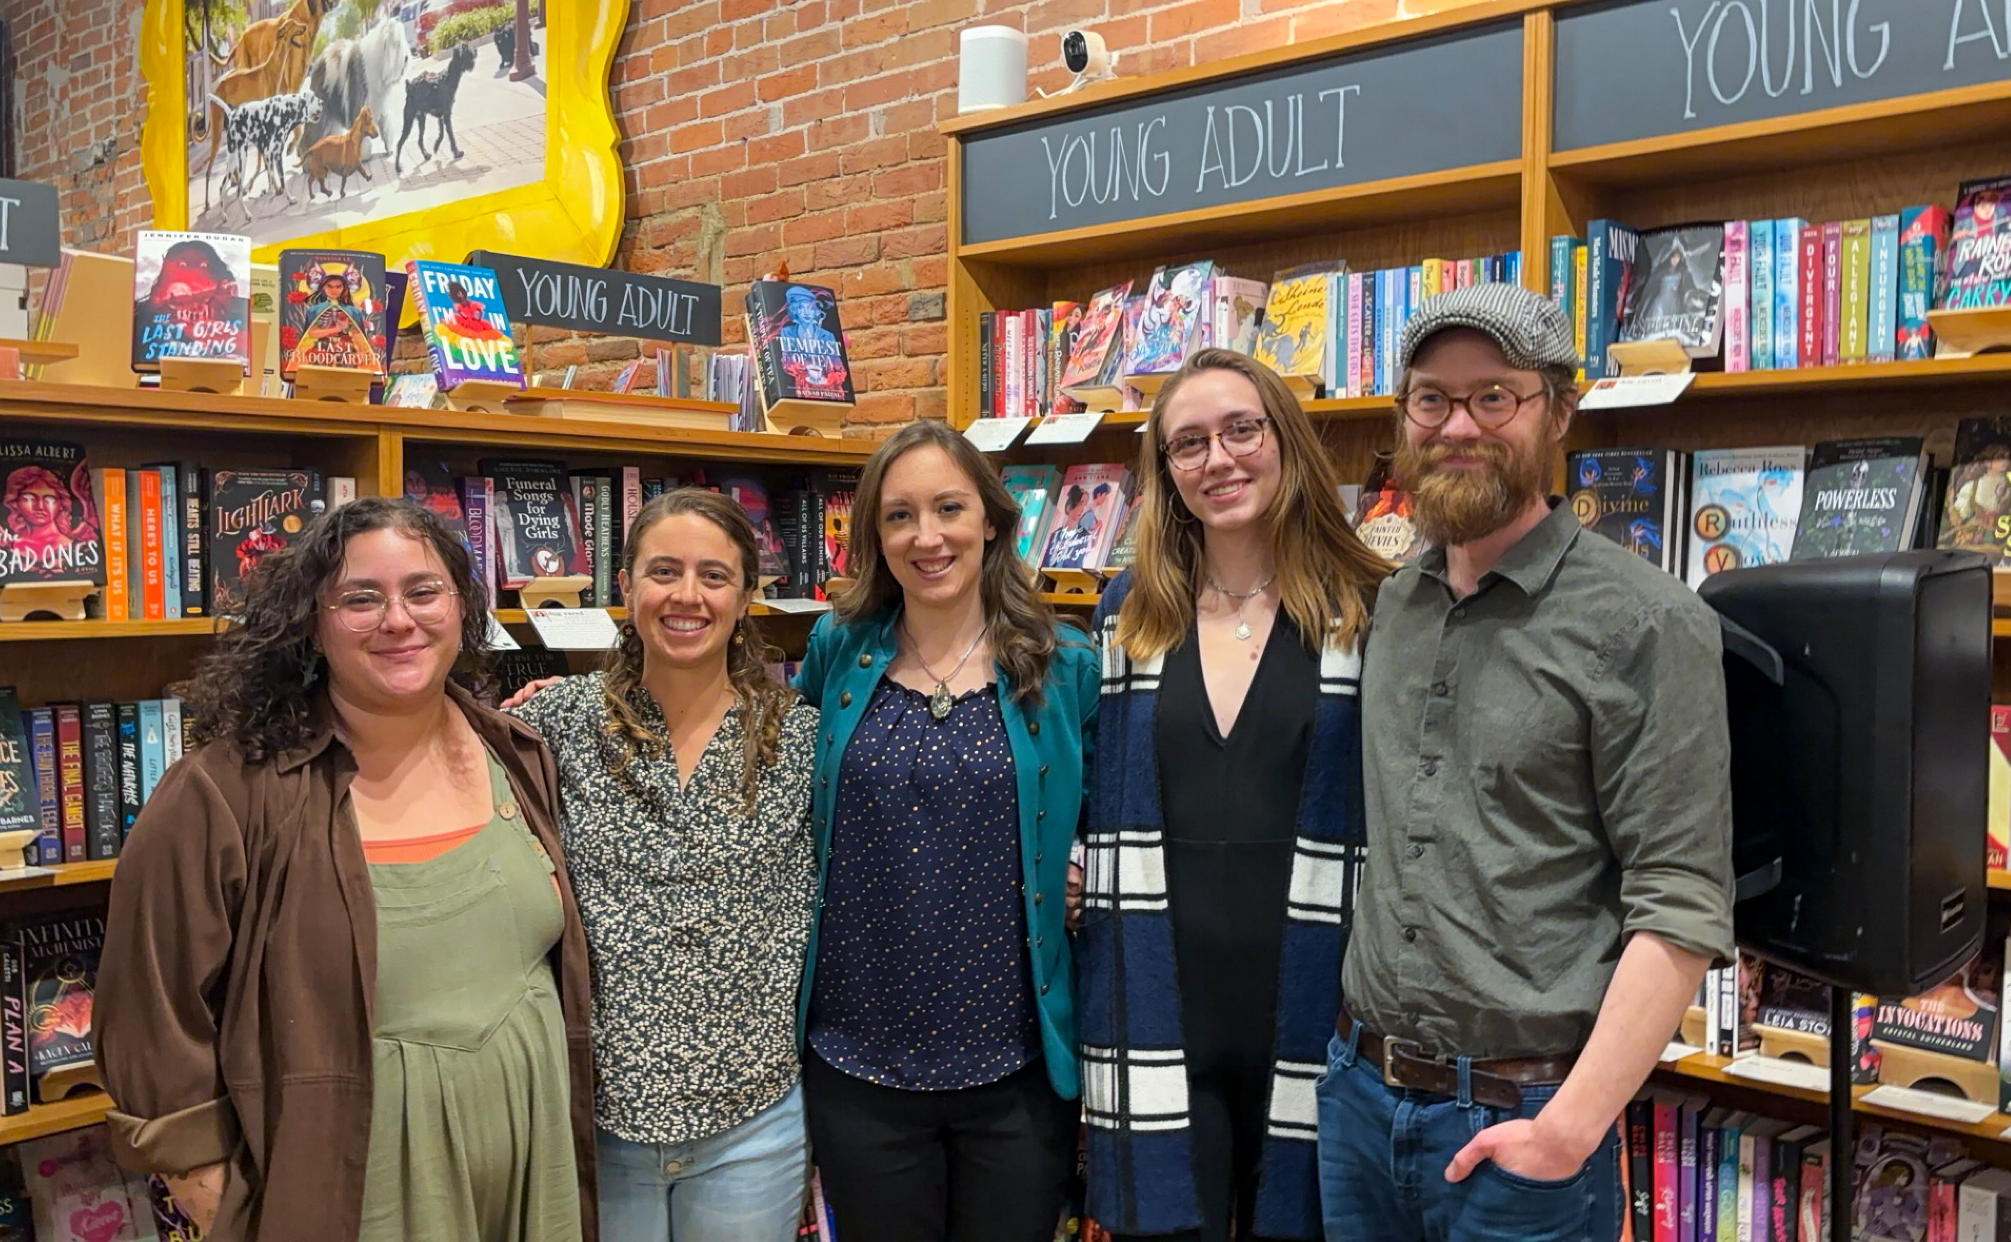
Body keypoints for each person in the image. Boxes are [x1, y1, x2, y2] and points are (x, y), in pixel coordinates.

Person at [1319, 283, 1734, 1242]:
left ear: (1558, 411)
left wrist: (1567, 1132)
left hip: (1525, 1122)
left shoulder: (1646, 623)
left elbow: (1679, 900)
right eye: (1432, 398)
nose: (1458, 425)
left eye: (1493, 397)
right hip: (1359, 1101)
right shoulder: (1395, 604)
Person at [93, 496, 598, 1242]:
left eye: (424, 592)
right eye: (361, 598)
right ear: (313, 623)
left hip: (534, 1154)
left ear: (462, 609)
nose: (399, 620)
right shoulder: (225, 792)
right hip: (351, 1176)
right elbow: (150, 998)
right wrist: (199, 1173)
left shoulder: (516, 753)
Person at [1079, 348, 1388, 1242]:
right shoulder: (1130, 615)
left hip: (1319, 1001)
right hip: (1160, 1004)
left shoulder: (1370, 607)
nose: (1219, 460)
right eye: (1189, 445)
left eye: (1241, 430)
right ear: (1166, 473)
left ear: (1284, 440)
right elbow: (1099, 783)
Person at [793, 418, 1097, 1242]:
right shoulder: (837, 647)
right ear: (875, 535)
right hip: (857, 1058)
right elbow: (772, 766)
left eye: (949, 509)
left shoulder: (1063, 661)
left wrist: (1078, 871)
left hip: (1016, 1064)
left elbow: (1116, 811)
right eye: (899, 516)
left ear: (992, 521)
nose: (927, 537)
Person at [506, 489, 817, 1242]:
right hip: (597, 1120)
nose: (687, 596)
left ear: (747, 596)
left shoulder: (802, 741)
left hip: (752, 1123)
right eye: (664, 571)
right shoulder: (553, 725)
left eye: (714, 576)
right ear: (626, 586)